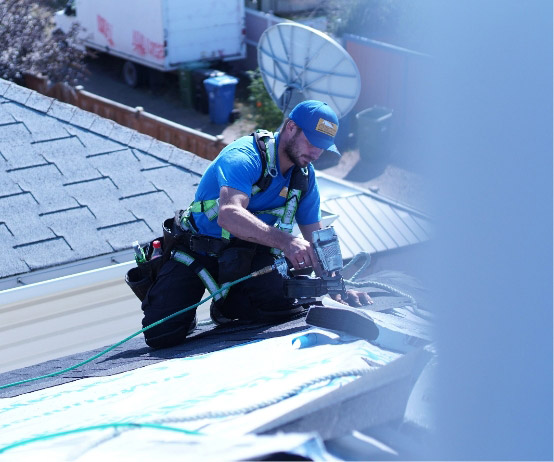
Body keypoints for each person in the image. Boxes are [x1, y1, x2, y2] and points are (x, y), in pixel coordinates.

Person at [141, 100, 372, 348]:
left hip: (249, 257)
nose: (316, 153)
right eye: (312, 143)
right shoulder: (245, 157)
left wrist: (337, 286)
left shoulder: (303, 177)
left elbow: (316, 235)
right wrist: (287, 242)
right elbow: (228, 215)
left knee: (282, 305)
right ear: (291, 128)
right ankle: (186, 312)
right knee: (161, 335)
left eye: (323, 148)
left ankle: (229, 307)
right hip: (199, 251)